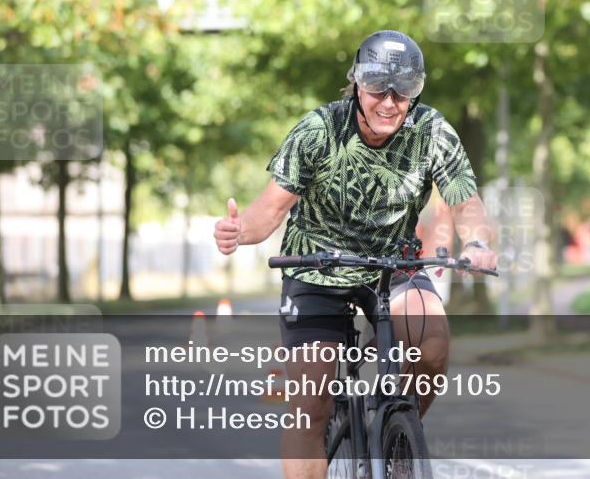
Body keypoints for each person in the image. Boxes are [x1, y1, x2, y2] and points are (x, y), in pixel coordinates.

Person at [213, 29, 497, 479]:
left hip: (394, 267)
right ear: (357, 85)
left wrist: (478, 242)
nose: (389, 102)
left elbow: (465, 201)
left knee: (434, 346)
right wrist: (237, 230)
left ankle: (397, 438)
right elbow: (268, 211)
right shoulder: (320, 130)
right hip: (316, 270)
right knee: (311, 406)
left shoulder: (432, 130)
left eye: (403, 92)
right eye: (378, 89)